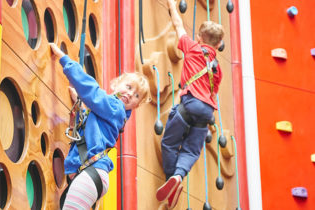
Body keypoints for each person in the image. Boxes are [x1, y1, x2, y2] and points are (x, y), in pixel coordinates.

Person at [49, 43, 151, 210]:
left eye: (136, 96)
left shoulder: (115, 107)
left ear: (135, 106)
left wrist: (63, 58)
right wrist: (80, 104)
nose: (130, 94)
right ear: (117, 84)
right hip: (94, 173)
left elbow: (91, 91)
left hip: (92, 172)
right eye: (129, 87)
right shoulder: (114, 115)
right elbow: (91, 127)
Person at [156, 0, 225, 208]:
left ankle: (171, 177)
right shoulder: (217, 69)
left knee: (169, 143)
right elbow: (213, 91)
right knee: (192, 151)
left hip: (189, 104)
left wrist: (172, 5)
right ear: (218, 45)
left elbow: (178, 25)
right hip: (206, 112)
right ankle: (179, 175)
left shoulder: (192, 47)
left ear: (198, 37)